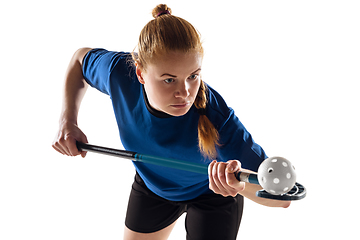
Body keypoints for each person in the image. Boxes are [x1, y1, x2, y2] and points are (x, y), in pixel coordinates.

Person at [52, 4, 290, 240]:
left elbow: (282, 198)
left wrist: (239, 186)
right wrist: (67, 121)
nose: (185, 92)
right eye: (169, 80)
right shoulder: (118, 73)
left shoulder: (218, 117)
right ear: (140, 73)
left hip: (213, 195)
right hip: (153, 186)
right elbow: (79, 59)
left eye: (193, 76)